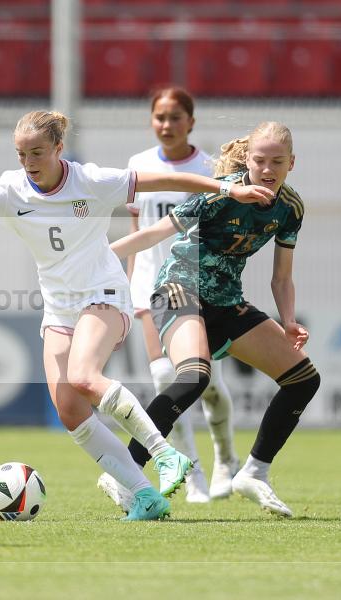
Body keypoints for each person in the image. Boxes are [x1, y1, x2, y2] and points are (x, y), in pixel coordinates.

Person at [0, 110, 273, 521]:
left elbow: (168, 181)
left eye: (37, 152)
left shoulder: (92, 181)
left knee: (84, 376)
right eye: (21, 153)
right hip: (59, 308)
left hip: (104, 294)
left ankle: (165, 454)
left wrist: (224, 190)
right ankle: (145, 496)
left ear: (58, 149)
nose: (28, 162)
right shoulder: (9, 190)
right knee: (69, 408)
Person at [109, 122, 320, 518]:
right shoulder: (220, 193)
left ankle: (254, 472)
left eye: (278, 161)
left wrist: (288, 320)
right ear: (249, 160)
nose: (268, 169)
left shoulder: (290, 208)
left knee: (304, 379)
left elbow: (281, 277)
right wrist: (101, 257)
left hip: (225, 302)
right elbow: (155, 233)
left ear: (292, 163)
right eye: (260, 160)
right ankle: (126, 471)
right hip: (178, 289)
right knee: (195, 375)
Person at [100, 87, 240, 509]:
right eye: (159, 117)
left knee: (208, 385)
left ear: (191, 122)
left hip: (195, 287)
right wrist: (125, 289)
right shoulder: (138, 167)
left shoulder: (211, 169)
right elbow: (136, 233)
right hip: (149, 287)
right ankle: (190, 472)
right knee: (165, 379)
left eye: (175, 117)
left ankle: (226, 458)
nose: (167, 124)